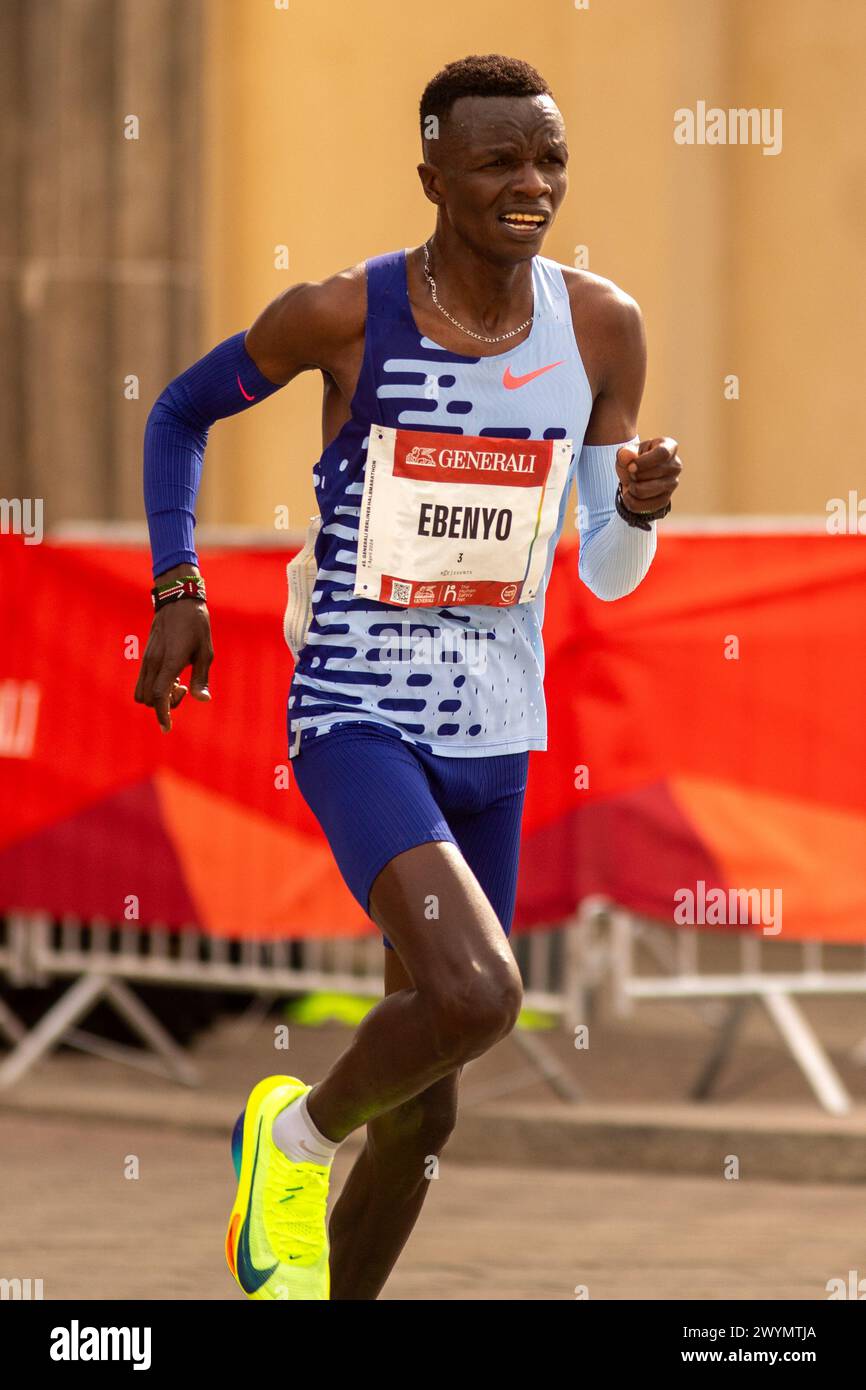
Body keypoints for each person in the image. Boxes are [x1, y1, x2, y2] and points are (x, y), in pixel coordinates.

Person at [135, 53, 683, 1301]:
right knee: (480, 991)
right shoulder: (345, 315)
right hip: (357, 708)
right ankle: (284, 1135)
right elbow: (177, 411)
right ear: (431, 174)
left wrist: (637, 512)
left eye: (548, 159)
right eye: (498, 162)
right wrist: (179, 585)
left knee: (426, 1120)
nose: (529, 184)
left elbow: (602, 573)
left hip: (499, 724)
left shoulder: (599, 327)